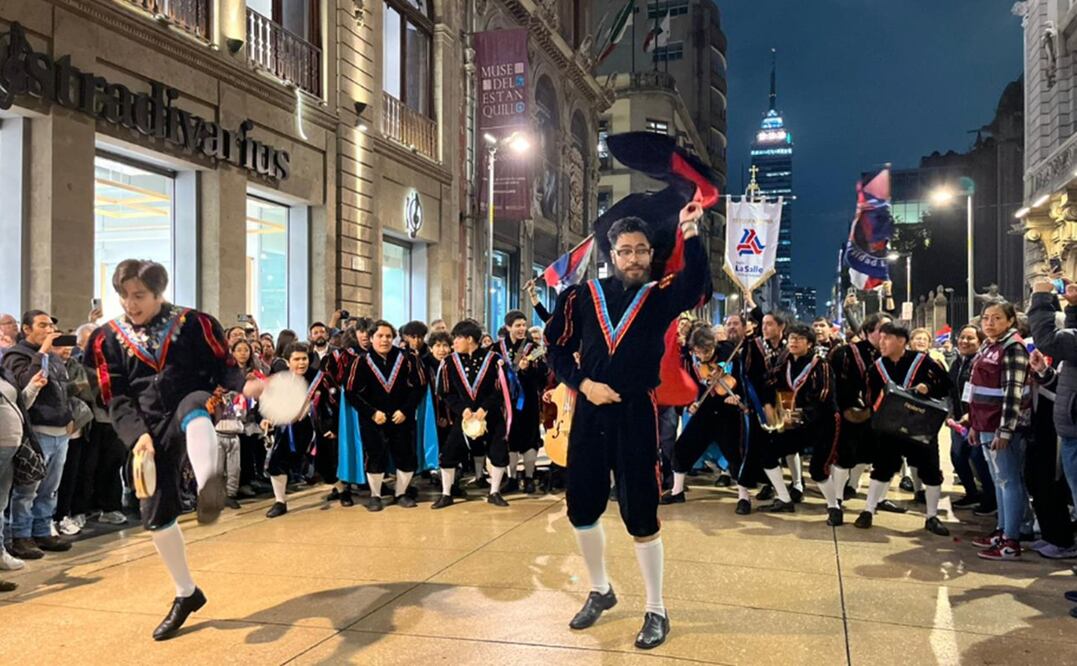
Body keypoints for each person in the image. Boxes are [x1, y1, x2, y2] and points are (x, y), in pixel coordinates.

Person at [544, 203, 708, 650]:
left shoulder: (660, 297)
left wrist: (690, 228)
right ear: (612, 255)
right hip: (590, 411)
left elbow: (695, 282)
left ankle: (656, 608)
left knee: (641, 513)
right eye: (625, 251)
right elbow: (556, 349)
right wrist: (583, 384)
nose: (634, 258)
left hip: (638, 412)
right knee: (581, 508)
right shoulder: (579, 297)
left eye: (641, 250)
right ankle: (600, 589)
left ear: (651, 255)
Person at [82, 259, 260, 640]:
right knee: (155, 512)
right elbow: (114, 395)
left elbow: (224, 365)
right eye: (124, 296)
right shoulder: (106, 339)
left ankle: (208, 484)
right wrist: (136, 436)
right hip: (146, 425)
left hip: (193, 399)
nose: (130, 304)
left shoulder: (194, 323)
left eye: (139, 295)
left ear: (158, 294)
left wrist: (246, 386)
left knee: (193, 409)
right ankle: (186, 592)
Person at [855, 323, 952, 536]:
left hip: (920, 426)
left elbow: (946, 385)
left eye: (886, 338)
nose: (881, 343)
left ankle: (932, 516)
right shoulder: (876, 367)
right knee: (882, 468)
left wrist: (929, 388)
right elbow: (869, 396)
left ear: (901, 341)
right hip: (889, 428)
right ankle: (868, 510)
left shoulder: (923, 362)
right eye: (880, 338)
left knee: (930, 471)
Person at [2, 310, 75, 560]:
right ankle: (20, 536)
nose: (49, 330)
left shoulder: (53, 357)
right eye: (42, 325)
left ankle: (43, 530)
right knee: (28, 489)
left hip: (60, 431)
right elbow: (24, 386)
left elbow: (63, 388)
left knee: (50, 488)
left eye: (50, 325)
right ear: (26, 329)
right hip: (37, 430)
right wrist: (42, 352)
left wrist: (69, 416)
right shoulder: (17, 355)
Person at [662, 325, 752, 512]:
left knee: (734, 453)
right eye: (698, 352)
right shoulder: (691, 360)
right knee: (683, 446)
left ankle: (744, 497)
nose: (703, 356)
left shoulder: (728, 353)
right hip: (705, 409)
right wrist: (690, 403)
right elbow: (689, 383)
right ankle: (677, 491)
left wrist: (738, 396)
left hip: (727, 410)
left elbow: (740, 379)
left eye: (707, 351)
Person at [967, 302, 1031, 561]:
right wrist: (974, 424)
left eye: (996, 318)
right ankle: (1002, 531)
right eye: (986, 318)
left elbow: (1014, 392)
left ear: (1010, 320)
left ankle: (1011, 540)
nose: (989, 323)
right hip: (984, 423)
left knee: (1009, 480)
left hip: (1001, 427)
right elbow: (976, 387)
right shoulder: (989, 345)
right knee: (998, 480)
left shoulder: (1013, 347)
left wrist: (1005, 430)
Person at [343, 321, 425, 511]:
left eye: (388, 336)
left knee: (406, 456)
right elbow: (350, 392)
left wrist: (405, 410)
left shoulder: (408, 359)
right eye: (380, 336)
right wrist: (371, 413)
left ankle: (401, 493)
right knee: (375, 457)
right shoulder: (360, 362)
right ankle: (375, 495)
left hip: (401, 417)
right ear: (371, 338)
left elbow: (419, 387)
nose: (384, 340)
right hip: (373, 419)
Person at [765, 324, 841, 524]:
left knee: (818, 470)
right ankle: (784, 498)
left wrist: (798, 415)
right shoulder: (784, 363)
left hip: (824, 423)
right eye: (791, 338)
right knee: (767, 452)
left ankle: (834, 507)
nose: (794, 342)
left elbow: (824, 397)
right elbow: (772, 383)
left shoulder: (821, 365)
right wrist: (770, 407)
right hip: (797, 421)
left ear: (810, 344)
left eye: (799, 339)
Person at [433, 320, 511, 508]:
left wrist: (485, 408)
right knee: (449, 452)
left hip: (490, 415)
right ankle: (446, 493)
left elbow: (501, 389)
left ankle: (494, 492)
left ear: (469, 339)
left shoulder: (494, 360)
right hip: (464, 417)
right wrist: (462, 409)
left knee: (499, 451)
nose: (454, 343)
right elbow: (445, 392)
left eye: (457, 338)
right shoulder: (449, 362)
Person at [1027, 277, 1077, 550]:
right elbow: (1065, 383)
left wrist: (1041, 297)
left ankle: (1062, 541)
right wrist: (1045, 373)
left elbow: (1048, 340)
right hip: (1069, 427)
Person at [829, 313, 888, 505]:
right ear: (868, 331)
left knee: (870, 455)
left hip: (879, 415)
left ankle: (861, 491)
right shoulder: (845, 353)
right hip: (850, 414)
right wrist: (847, 409)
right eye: (882, 330)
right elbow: (834, 385)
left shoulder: (890, 355)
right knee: (844, 456)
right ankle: (836, 500)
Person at [1025, 349, 1077, 559]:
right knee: (1037, 480)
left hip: (1059, 429)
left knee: (1052, 483)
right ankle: (1050, 535)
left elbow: (1064, 394)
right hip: (1042, 424)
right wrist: (1042, 372)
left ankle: (1062, 540)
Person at [0, 364, 48, 590]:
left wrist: (33, 388)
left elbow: (20, 407)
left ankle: (1, 553)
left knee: (1, 505)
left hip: (11, 446)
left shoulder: (3, 374)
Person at [261, 342, 318, 519]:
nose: (301, 363)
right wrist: (264, 418)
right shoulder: (279, 380)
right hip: (287, 429)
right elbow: (265, 404)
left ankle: (342, 491)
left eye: (304, 359)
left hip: (315, 429)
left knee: (326, 464)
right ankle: (280, 501)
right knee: (276, 463)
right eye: (297, 359)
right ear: (287, 362)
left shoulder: (317, 379)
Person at [947, 325, 996, 512]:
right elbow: (950, 391)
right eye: (962, 337)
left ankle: (991, 500)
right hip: (958, 422)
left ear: (980, 341)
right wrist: (950, 414)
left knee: (978, 458)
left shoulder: (981, 363)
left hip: (978, 421)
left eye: (970, 338)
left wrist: (972, 414)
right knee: (957, 457)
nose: (964, 342)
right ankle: (971, 493)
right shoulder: (956, 363)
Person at [498, 310, 547, 494]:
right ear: (508, 327)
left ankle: (529, 477)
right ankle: (511, 478)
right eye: (517, 325)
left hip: (528, 401)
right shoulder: (496, 348)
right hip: (505, 402)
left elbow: (542, 375)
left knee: (530, 438)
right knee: (510, 439)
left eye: (524, 325)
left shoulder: (535, 348)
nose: (521, 329)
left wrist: (528, 370)